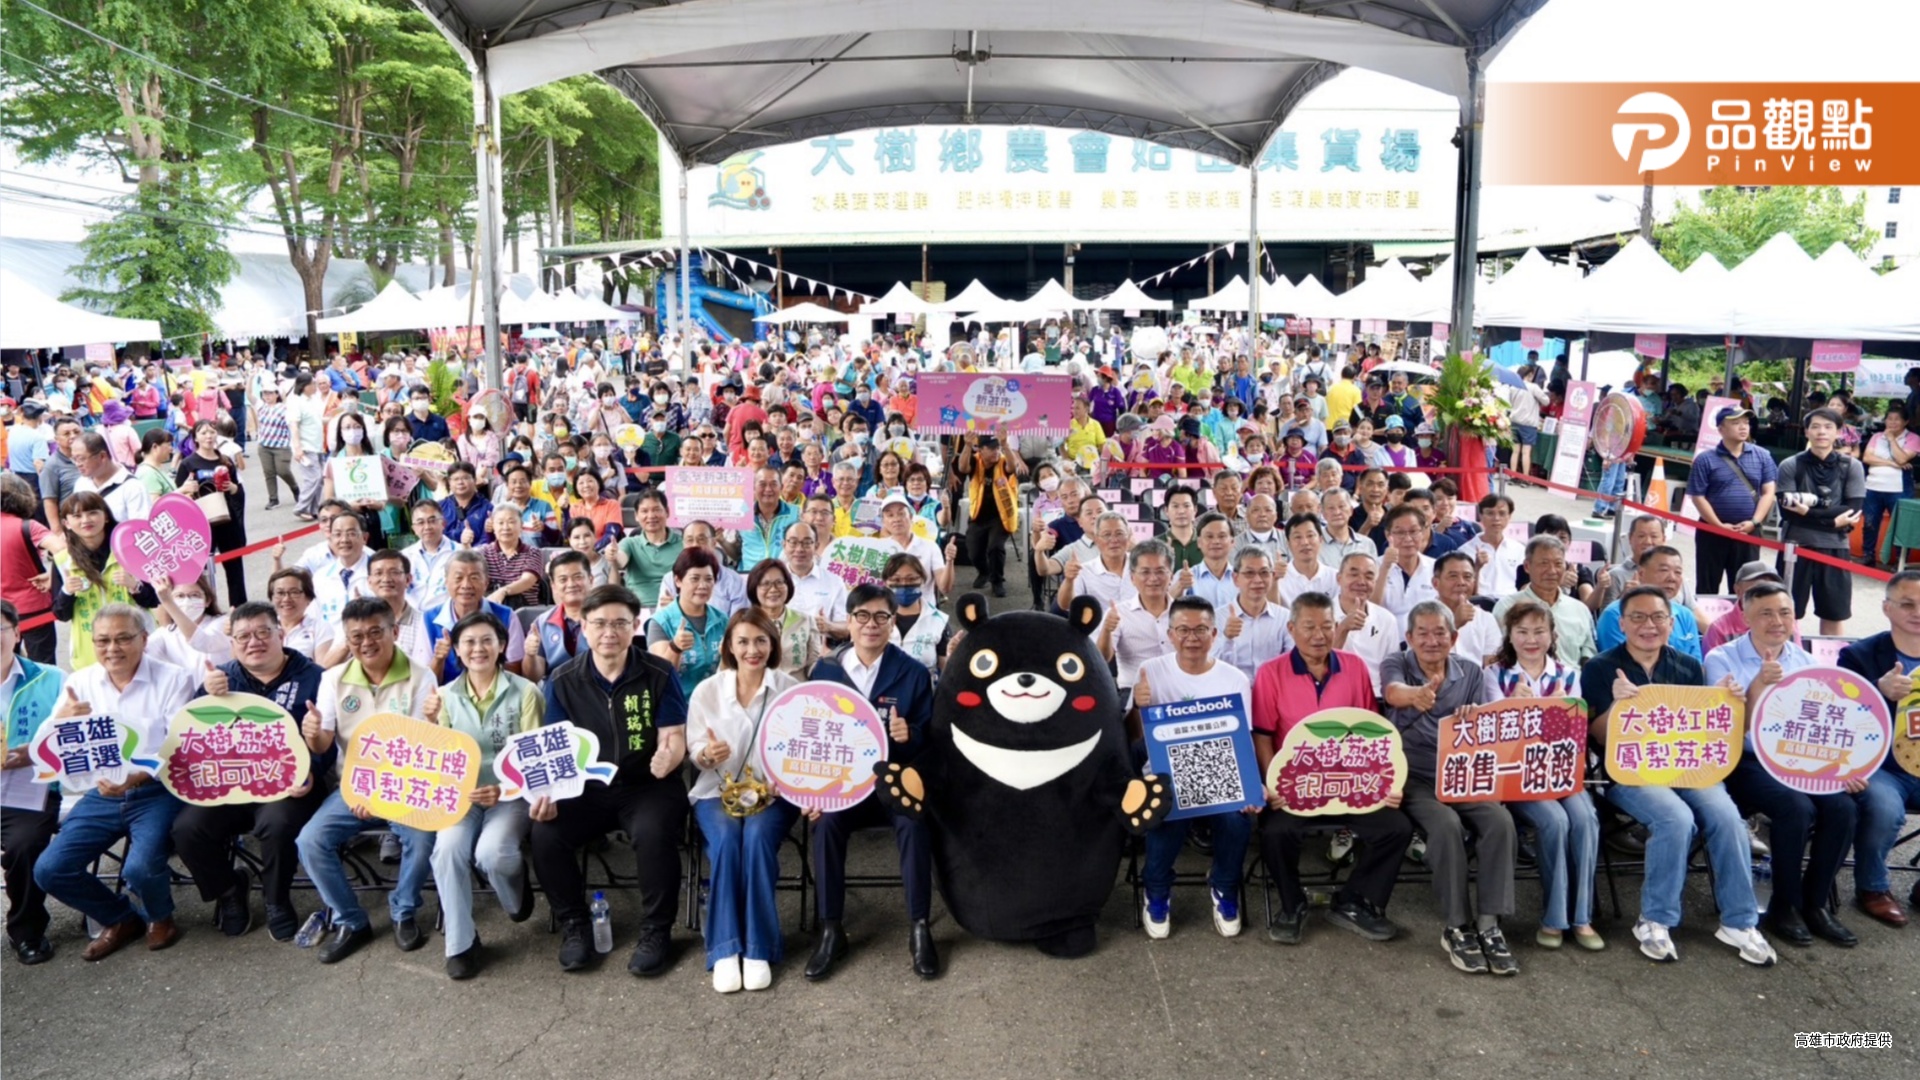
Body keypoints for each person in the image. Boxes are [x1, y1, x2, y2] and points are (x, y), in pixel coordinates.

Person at [1581, 585, 1776, 966]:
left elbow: (1705, 728)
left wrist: (1727, 701)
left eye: (1657, 617)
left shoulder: (1689, 666)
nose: (1648, 625)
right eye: (1637, 617)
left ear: (1672, 623)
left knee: (1728, 819)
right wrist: (1618, 706)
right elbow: (1597, 737)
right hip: (1631, 772)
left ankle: (1739, 922)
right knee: (1676, 819)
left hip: (1689, 766)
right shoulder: (1601, 667)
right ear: (1621, 623)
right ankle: (1655, 919)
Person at [533, 584, 690, 976]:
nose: (609, 632)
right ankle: (574, 924)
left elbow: (674, 735)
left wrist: (667, 757)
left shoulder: (658, 672)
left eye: (620, 623)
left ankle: (657, 930)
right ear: (583, 626)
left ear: (636, 626)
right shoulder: (563, 678)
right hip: (585, 788)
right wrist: (548, 793)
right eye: (599, 623)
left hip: (647, 784)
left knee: (654, 833)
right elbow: (555, 748)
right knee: (544, 832)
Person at [31, 605, 197, 961]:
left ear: (144, 639)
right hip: (101, 793)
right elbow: (50, 745)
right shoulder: (80, 682)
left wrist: (135, 776)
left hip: (156, 790)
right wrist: (59, 720)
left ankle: (160, 918)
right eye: (103, 640)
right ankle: (120, 918)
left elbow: (178, 747)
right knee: (50, 869)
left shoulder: (174, 679)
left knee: (139, 867)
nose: (113, 648)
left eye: (124, 638)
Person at [1705, 581, 1860, 948]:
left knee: (1843, 807)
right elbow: (1726, 727)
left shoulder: (1805, 662)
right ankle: (1784, 905)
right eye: (1766, 613)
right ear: (1744, 617)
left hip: (1797, 758)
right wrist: (1758, 684)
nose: (1777, 621)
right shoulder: (1721, 659)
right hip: (1744, 759)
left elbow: (1824, 726)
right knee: (1795, 807)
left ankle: (1816, 903)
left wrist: (1845, 767)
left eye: (1785, 612)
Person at [1252, 591, 1413, 945]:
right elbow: (1263, 736)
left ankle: (1354, 900)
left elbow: (1372, 732)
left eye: (1327, 625)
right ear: (1292, 629)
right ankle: (1292, 905)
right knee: (1275, 832)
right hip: (1298, 787)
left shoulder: (1353, 667)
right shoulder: (1270, 673)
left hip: (1349, 785)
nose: (1319, 635)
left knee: (1397, 828)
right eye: (1309, 627)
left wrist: (1383, 782)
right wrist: (1272, 784)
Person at [805, 583, 939, 981]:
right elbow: (809, 740)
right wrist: (809, 790)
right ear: (848, 621)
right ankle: (831, 929)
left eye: (882, 616)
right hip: (842, 787)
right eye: (862, 616)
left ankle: (919, 926)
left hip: (894, 781)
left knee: (914, 822)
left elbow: (930, 740)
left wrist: (908, 735)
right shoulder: (826, 671)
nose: (871, 625)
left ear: (893, 622)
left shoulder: (912, 673)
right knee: (824, 824)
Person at [170, 603, 327, 943]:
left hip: (289, 786)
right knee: (186, 828)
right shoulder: (222, 679)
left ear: (281, 635)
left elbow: (330, 740)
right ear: (232, 642)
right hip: (232, 784)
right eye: (243, 636)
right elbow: (192, 736)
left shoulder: (314, 677)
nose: (253, 642)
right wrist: (205, 700)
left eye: (262, 633)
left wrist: (311, 772)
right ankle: (228, 890)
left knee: (277, 824)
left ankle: (276, 900)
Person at [294, 597, 439, 963]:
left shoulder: (421, 676)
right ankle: (350, 920)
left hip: (407, 786)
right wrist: (312, 732)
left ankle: (403, 910)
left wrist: (381, 794)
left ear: (395, 631)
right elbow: (324, 742)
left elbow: (421, 748)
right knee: (310, 841)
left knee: (422, 841)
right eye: (356, 636)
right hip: (352, 787)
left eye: (376, 632)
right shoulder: (333, 678)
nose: (366, 642)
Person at [1381, 601, 1519, 975]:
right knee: (1445, 825)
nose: (1431, 640)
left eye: (1440, 632)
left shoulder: (1471, 672)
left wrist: (1473, 716)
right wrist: (1416, 696)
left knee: (1500, 822)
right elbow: (1392, 692)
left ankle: (1489, 923)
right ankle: (1457, 925)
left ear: (1454, 637)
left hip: (1462, 773)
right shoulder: (1397, 663)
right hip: (1415, 775)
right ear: (1409, 638)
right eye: (1422, 633)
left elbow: (1483, 725)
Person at [686, 608, 801, 993]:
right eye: (743, 641)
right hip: (717, 791)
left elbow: (804, 749)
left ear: (772, 645)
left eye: (761, 641)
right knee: (726, 842)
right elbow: (694, 750)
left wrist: (791, 781)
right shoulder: (707, 690)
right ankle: (723, 949)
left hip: (774, 793)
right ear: (730, 648)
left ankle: (758, 947)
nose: (753, 649)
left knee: (755, 840)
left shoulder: (790, 689)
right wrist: (706, 755)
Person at [424, 610, 541, 979]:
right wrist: (429, 724)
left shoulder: (526, 692)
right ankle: (460, 943)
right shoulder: (442, 697)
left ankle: (516, 895)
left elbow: (534, 757)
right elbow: (438, 759)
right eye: (469, 642)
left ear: (502, 645)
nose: (478, 649)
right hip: (462, 796)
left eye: (487, 640)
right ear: (457, 650)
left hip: (512, 795)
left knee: (492, 855)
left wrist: (504, 788)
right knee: (447, 850)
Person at [1131, 596, 1256, 939]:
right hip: (1164, 774)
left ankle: (1224, 887)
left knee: (1237, 818)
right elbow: (1132, 740)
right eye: (1183, 629)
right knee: (1167, 811)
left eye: (1201, 629)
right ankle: (1156, 890)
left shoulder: (1234, 679)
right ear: (1170, 634)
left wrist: (1247, 788)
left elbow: (1241, 739)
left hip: (1219, 774)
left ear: (1214, 633)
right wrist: (1137, 706)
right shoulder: (1151, 670)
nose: (1192, 637)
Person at [1483, 600, 1602, 951]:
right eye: (1522, 632)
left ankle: (1582, 917)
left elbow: (1575, 736)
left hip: (1562, 773)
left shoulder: (1569, 676)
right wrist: (1512, 707)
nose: (1531, 639)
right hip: (1518, 776)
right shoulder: (1495, 675)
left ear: (1552, 635)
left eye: (1539, 631)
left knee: (1585, 819)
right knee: (1554, 822)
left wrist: (1563, 712)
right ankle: (1554, 918)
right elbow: (1495, 741)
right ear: (1510, 635)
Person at [1836, 569, 1920, 928]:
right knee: (1885, 809)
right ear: (1886, 608)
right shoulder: (1858, 655)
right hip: (1880, 766)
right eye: (1907, 604)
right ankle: (1872, 888)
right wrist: (1876, 691)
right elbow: (1836, 714)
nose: (1917, 612)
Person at [0, 601, 61, 963]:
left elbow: (74, 736)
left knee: (24, 846)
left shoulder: (51, 679)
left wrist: (36, 752)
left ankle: (26, 930)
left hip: (32, 787)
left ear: (17, 633)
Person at [1777, 408, 1865, 636]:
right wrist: (1832, 521)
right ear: (1806, 431)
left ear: (1838, 432)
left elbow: (1853, 508)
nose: (1821, 432)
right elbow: (1788, 511)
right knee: (1786, 613)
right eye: (1815, 426)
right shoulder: (1790, 465)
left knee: (1834, 613)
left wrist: (1808, 512)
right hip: (1795, 548)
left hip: (1836, 548)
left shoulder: (1851, 466)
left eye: (1828, 427)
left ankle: (1831, 667)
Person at [50, 492, 158, 669]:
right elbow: (60, 614)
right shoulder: (63, 561)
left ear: (105, 516)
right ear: (66, 524)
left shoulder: (130, 551)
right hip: (91, 654)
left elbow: (154, 600)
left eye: (92, 512)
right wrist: (67, 592)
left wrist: (135, 586)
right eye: (77, 516)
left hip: (137, 646)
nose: (86, 520)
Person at [1685, 406, 1779, 595]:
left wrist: (1754, 522)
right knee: (1707, 585)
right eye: (1736, 423)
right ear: (1721, 429)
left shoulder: (1762, 455)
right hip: (1711, 531)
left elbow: (1769, 492)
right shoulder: (1705, 459)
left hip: (1748, 531)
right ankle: (1706, 624)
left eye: (1745, 423)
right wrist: (1718, 525)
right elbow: (1698, 496)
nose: (1743, 427)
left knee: (1747, 586)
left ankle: (1743, 624)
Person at [1491, 535, 1599, 668]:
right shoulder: (1507, 607)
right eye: (1544, 563)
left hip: (1573, 683)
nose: (1552, 571)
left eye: (1558, 564)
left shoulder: (1579, 609)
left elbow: (1588, 652)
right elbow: (1498, 655)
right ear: (1527, 566)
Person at [426, 549, 529, 682]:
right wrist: (438, 659)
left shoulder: (507, 616)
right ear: (446, 582)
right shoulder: (429, 619)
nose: (466, 585)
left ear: (486, 583)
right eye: (458, 578)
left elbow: (514, 670)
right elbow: (426, 682)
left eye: (474, 578)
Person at [1595, 544, 1703, 661]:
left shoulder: (1685, 615)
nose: (1672, 578)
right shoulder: (1616, 614)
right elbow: (1620, 668)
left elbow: (1697, 668)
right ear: (1641, 574)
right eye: (1664, 570)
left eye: (1678, 572)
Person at [1099, 540, 1176, 697]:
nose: (1153, 578)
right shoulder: (1118, 613)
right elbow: (1102, 658)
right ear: (1132, 578)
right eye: (1145, 572)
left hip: (1177, 689)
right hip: (1133, 691)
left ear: (1171, 576)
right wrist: (1107, 630)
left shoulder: (1184, 612)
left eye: (1160, 571)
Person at [953, 434, 1024, 597]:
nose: (996, 451)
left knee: (995, 547)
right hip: (978, 515)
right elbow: (963, 468)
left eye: (997, 448)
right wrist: (967, 446)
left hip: (1001, 516)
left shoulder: (1003, 460)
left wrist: (1006, 445)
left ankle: (997, 581)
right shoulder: (975, 460)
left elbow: (1012, 467)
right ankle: (984, 572)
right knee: (973, 551)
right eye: (992, 448)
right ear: (981, 450)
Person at [0, 475, 59, 664]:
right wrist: (52, 576)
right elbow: (63, 550)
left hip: (2, 613)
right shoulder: (28, 527)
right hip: (35, 609)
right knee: (43, 668)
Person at [649, 547, 727, 689]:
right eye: (694, 579)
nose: (703, 585)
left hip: (714, 704)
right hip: (677, 706)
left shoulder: (723, 621)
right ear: (678, 580)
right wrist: (675, 648)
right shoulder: (660, 622)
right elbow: (659, 676)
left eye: (709, 579)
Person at [1861, 404, 1918, 564]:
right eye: (1889, 419)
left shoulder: (1913, 438)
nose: (1892, 423)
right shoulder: (1876, 437)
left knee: (1901, 525)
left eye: (1897, 420)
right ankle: (1868, 555)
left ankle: (1900, 560)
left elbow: (1902, 458)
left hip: (1898, 489)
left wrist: (1892, 439)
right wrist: (1892, 464)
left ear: (1906, 422)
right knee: (1870, 523)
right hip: (1873, 486)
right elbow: (1867, 458)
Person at [610, 489, 681, 611]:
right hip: (637, 608)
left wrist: (679, 602)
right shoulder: (630, 543)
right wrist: (614, 555)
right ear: (636, 516)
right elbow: (621, 559)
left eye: (656, 510)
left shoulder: (683, 543)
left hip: (674, 608)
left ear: (667, 512)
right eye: (644, 511)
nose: (651, 516)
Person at [1433, 551, 1501, 664]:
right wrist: (1455, 624)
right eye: (1453, 576)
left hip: (1477, 680)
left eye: (1467, 577)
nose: (1461, 582)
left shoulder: (1486, 619)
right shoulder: (1420, 616)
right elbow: (1418, 661)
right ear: (1436, 583)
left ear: (1474, 582)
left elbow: (1492, 667)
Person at [71, 431, 152, 525]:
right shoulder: (81, 483)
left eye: (81, 459)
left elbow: (140, 527)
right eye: (74, 459)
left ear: (102, 456)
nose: (77, 464)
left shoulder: (133, 487)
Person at [479, 504, 545, 610]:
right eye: (500, 523)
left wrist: (503, 591)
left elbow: (527, 580)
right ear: (493, 527)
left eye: (511, 522)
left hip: (522, 612)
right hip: (489, 611)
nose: (505, 527)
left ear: (521, 526)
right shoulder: (483, 553)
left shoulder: (533, 552)